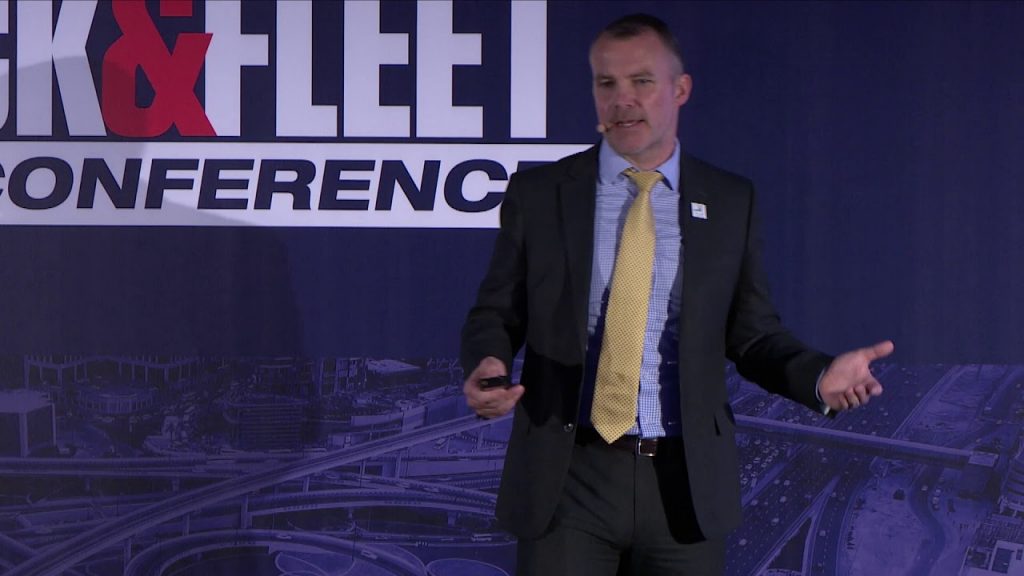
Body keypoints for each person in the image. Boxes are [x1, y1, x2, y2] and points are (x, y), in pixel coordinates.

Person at [460, 13, 893, 576]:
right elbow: (496, 310)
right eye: (606, 83)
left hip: (684, 487)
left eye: (641, 81)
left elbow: (752, 334)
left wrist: (817, 377)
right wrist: (488, 362)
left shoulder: (731, 200)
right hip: (568, 480)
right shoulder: (540, 193)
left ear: (680, 89)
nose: (622, 100)